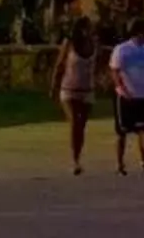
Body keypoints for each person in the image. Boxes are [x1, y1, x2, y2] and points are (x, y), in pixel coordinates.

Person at [109, 14, 144, 176]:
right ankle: (120, 164)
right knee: (122, 132)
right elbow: (115, 71)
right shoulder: (122, 49)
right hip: (126, 96)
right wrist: (122, 89)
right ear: (138, 33)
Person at [53, 18, 99, 176]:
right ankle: (74, 161)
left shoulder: (94, 43)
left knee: (82, 126)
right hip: (69, 88)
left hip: (87, 89)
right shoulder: (69, 43)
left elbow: (97, 64)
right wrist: (53, 86)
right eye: (87, 28)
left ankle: (78, 156)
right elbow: (59, 65)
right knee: (74, 122)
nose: (89, 31)